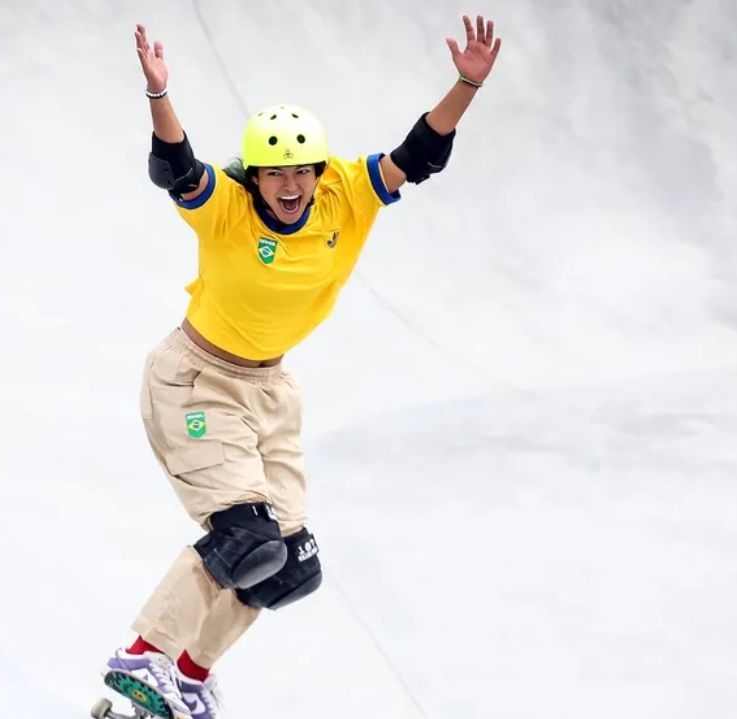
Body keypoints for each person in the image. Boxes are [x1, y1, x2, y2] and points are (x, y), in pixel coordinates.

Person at [101, 14, 503, 719]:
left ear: (319, 172)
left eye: (301, 172)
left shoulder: (347, 193)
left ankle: (191, 673)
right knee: (243, 536)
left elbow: (422, 151)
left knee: (287, 564)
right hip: (196, 380)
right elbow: (178, 170)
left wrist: (466, 82)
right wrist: (160, 97)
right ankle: (143, 655)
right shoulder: (227, 211)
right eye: (275, 174)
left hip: (271, 392)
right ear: (255, 178)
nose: (290, 186)